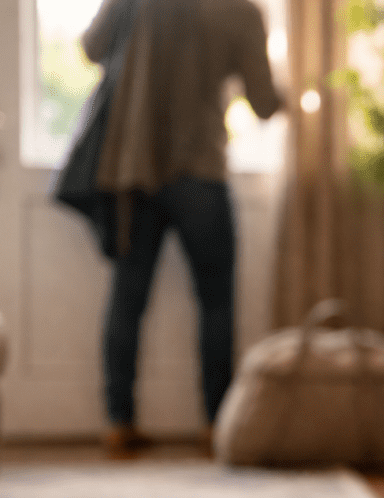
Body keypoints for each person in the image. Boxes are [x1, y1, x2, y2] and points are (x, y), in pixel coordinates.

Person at [79, 0, 282, 455]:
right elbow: (264, 103)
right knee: (216, 303)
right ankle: (216, 425)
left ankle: (118, 421)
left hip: (135, 168)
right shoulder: (240, 11)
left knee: (127, 298)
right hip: (200, 172)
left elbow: (91, 49)